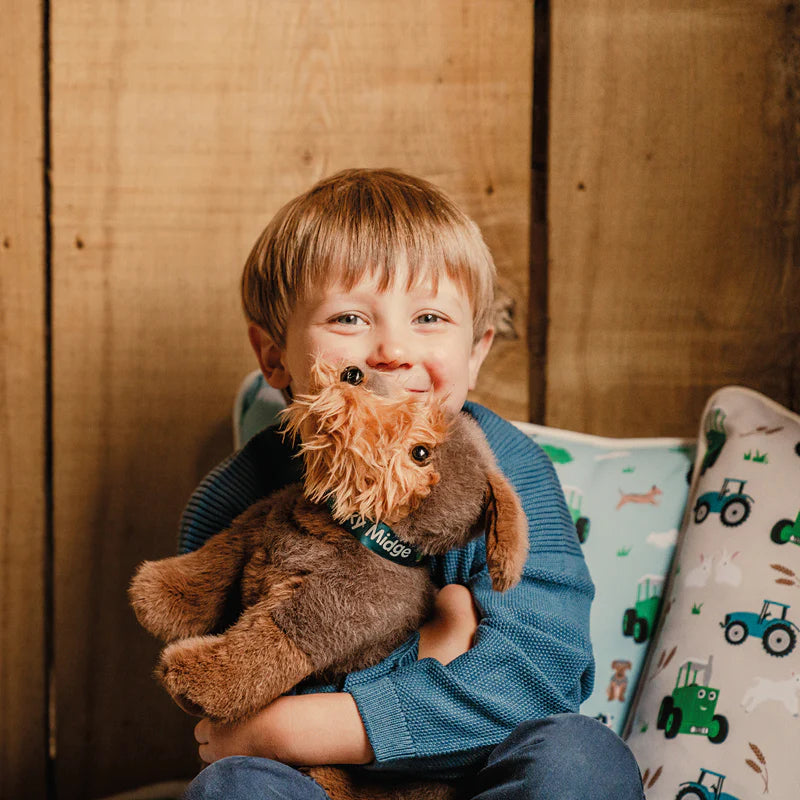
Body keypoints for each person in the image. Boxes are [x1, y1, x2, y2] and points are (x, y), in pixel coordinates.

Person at [179, 168, 644, 799]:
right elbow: (218, 690)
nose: (393, 350)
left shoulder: (506, 470)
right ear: (274, 355)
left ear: (476, 352)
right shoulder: (239, 495)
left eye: (429, 316)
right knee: (236, 785)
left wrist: (297, 726)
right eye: (348, 317)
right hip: (321, 787)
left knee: (582, 757)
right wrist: (441, 647)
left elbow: (543, 675)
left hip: (478, 782)